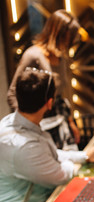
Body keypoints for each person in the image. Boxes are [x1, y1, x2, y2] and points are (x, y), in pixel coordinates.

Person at [0, 68, 94, 202]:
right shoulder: (25, 147)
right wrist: (74, 164)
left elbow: (48, 155)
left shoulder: (11, 121)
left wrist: (83, 156)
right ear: (49, 103)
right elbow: (61, 175)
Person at [7, 9, 88, 151]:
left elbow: (61, 94)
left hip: (59, 119)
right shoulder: (33, 55)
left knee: (69, 162)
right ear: (58, 33)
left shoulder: (61, 57)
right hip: (39, 122)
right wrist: (29, 123)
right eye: (68, 38)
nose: (69, 43)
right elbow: (12, 93)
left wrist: (71, 122)